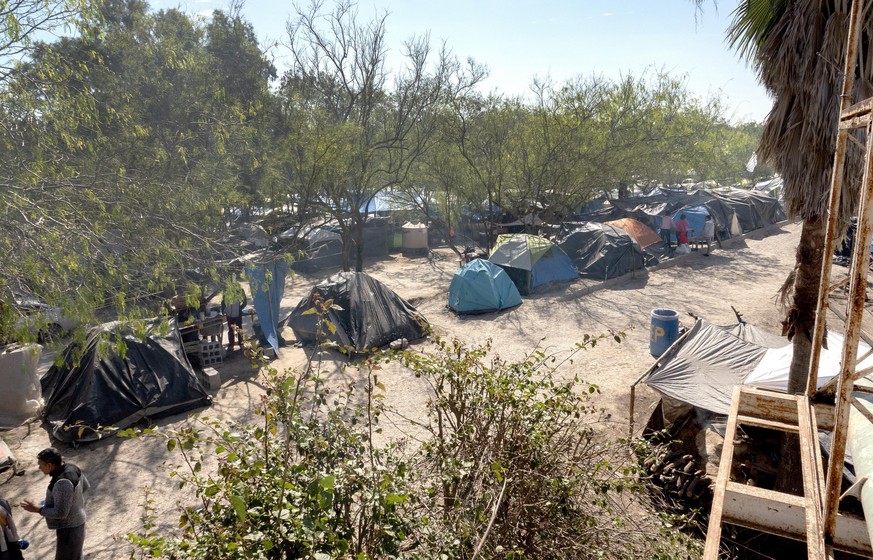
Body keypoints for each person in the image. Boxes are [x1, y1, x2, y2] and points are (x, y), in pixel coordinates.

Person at [21, 448, 89, 560]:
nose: (39, 468)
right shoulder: (72, 467)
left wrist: (38, 509)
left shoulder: (62, 482)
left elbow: (61, 513)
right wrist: (67, 500)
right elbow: (85, 486)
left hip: (69, 528)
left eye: (40, 465)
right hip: (77, 522)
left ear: (49, 465)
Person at [221, 283, 248, 352]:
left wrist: (240, 308)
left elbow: (244, 301)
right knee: (230, 330)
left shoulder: (240, 291)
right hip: (229, 313)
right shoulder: (226, 291)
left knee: (239, 329)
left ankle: (241, 344)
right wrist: (223, 311)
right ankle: (231, 345)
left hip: (237, 313)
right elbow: (223, 302)